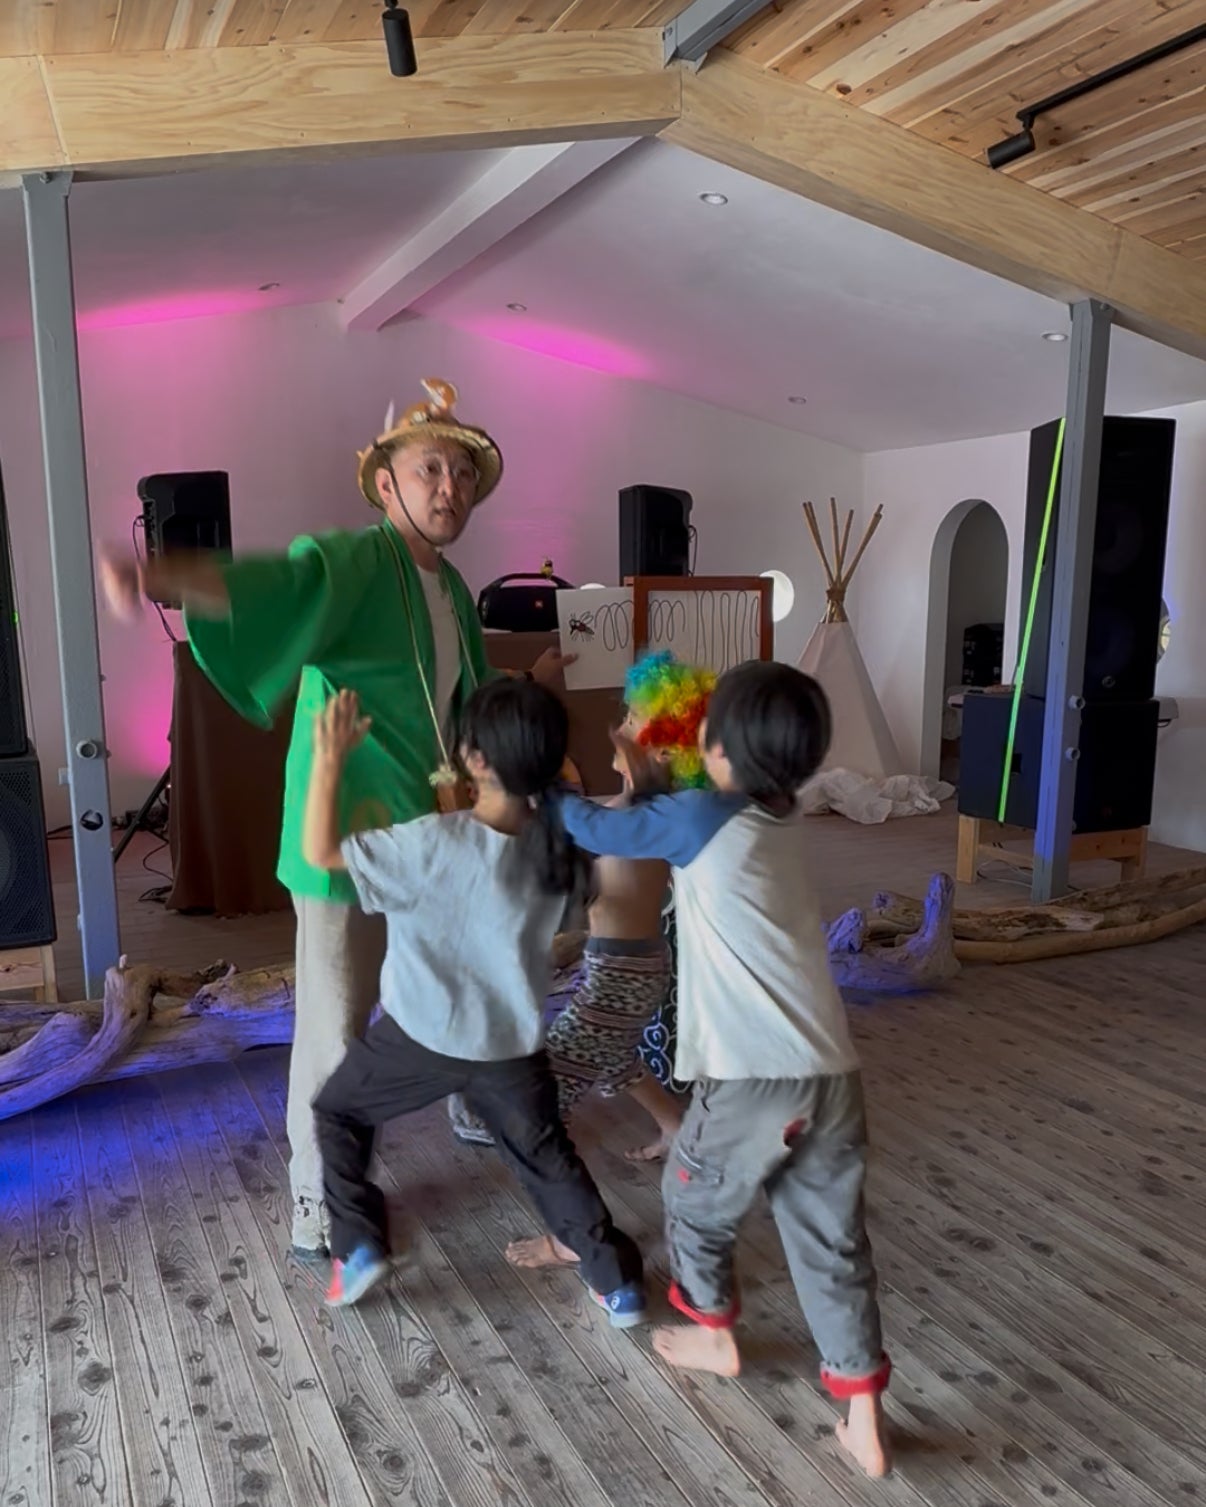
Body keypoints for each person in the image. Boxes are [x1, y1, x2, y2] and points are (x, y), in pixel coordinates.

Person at [98, 379, 571, 1259]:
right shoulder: (357, 561)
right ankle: (318, 1196)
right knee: (337, 1017)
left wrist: (529, 689)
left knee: (460, 975)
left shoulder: (453, 587)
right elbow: (271, 581)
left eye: (464, 474)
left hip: (435, 835)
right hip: (346, 834)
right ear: (386, 483)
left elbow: (462, 698)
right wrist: (160, 575)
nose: (451, 487)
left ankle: (474, 1098)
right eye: (430, 469)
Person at [542, 661, 893, 1479]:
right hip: (832, 1073)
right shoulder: (782, 815)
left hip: (753, 1077)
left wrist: (542, 778)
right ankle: (865, 1416)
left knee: (692, 1199)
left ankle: (714, 1331)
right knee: (833, 1243)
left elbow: (594, 827)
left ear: (719, 746)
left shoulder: (701, 814)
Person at [302, 679, 647, 1327]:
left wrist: (329, 758)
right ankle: (617, 1284)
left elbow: (318, 852)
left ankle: (358, 1245)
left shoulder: (429, 841)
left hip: (420, 1036)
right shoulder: (557, 854)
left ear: (475, 759)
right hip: (509, 1048)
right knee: (548, 1160)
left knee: (337, 1110)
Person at [450, 651, 714, 1167]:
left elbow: (589, 833)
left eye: (633, 720)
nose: (620, 726)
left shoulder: (648, 818)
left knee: (552, 1074)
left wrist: (541, 787)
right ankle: (675, 1125)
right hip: (619, 964)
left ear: (665, 749)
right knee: (613, 1057)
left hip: (625, 973)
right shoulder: (628, 809)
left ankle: (558, 1189)